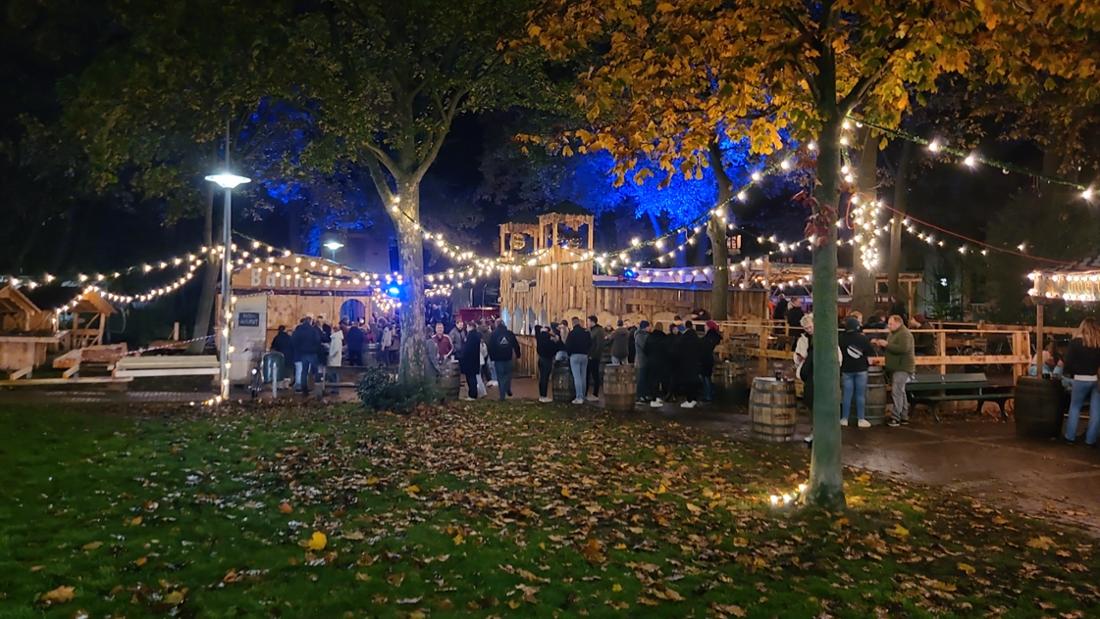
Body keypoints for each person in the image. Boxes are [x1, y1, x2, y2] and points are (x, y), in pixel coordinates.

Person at [1062, 317, 1100, 446]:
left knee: (1075, 408)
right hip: (1095, 379)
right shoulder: (1098, 343)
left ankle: (1070, 437)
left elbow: (1068, 364)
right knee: (1096, 411)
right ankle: (1090, 439)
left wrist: (1071, 374)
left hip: (1080, 379)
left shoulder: (1075, 343)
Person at [872, 314, 915, 427]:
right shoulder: (893, 334)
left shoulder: (905, 334)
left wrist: (887, 344)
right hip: (896, 366)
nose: (889, 326)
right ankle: (904, 415)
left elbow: (903, 348)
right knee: (901, 392)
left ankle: (895, 417)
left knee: (896, 392)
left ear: (898, 323)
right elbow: (891, 347)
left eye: (891, 324)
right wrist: (882, 344)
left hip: (902, 367)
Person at [839, 316, 875, 428]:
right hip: (861, 369)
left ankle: (844, 419)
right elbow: (870, 353)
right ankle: (861, 419)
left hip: (846, 369)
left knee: (846, 395)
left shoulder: (840, 338)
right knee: (860, 395)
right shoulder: (863, 338)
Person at [487, 319, 520, 400]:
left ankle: (502, 396)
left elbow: (490, 346)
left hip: (498, 359)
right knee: (508, 375)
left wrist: (492, 357)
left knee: (500, 377)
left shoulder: (493, 334)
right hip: (508, 357)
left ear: (496, 325)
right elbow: (516, 344)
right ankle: (508, 388)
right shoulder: (509, 333)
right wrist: (518, 354)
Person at [672, 320, 702, 408]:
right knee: (694, 381)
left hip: (687, 363)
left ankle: (689, 400)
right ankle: (694, 399)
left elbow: (678, 349)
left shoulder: (685, 338)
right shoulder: (695, 336)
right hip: (695, 363)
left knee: (689, 382)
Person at [291, 316, 321, 395]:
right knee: (315, 370)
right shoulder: (313, 330)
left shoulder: (298, 330)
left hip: (303, 353)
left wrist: (299, 348)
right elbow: (318, 341)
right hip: (312, 353)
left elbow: (293, 340)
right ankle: (318, 387)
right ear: (310, 321)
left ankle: (304, 389)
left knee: (304, 372)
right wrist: (315, 349)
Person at [565, 317, 592, 404]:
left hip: (575, 355)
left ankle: (579, 397)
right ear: (579, 323)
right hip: (584, 355)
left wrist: (569, 354)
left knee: (577, 378)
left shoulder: (572, 333)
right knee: (583, 377)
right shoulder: (586, 332)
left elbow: (568, 345)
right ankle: (583, 396)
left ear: (573, 323)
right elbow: (590, 343)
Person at [645, 322, 670, 408]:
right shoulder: (664, 337)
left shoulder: (650, 337)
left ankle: (654, 397)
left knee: (652, 380)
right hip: (661, 362)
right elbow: (667, 351)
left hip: (651, 361)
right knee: (659, 380)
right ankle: (655, 399)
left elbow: (645, 349)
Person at [535, 324, 562, 402]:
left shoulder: (539, 337)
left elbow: (537, 327)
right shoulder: (550, 339)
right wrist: (556, 340)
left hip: (540, 359)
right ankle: (544, 396)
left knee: (542, 378)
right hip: (547, 360)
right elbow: (556, 349)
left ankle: (541, 395)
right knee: (545, 378)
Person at [459, 325, 483, 401]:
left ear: (470, 327)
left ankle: (472, 395)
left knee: (471, 378)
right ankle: (473, 394)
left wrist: (462, 356)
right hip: (475, 360)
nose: (466, 328)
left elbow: (467, 349)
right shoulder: (477, 335)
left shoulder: (471, 336)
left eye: (467, 327)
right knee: (473, 378)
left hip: (469, 361)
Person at [700, 321, 722, 402]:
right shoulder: (715, 336)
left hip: (706, 359)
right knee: (707, 377)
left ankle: (708, 395)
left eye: (706, 326)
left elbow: (704, 345)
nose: (705, 327)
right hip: (709, 359)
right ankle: (709, 393)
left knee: (706, 377)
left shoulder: (709, 337)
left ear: (709, 327)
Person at [586, 315, 607, 401]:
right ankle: (586, 393)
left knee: (595, 375)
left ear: (592, 322)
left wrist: (593, 355)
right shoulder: (592, 330)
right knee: (588, 375)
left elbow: (599, 345)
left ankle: (595, 393)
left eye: (588, 321)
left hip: (594, 357)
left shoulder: (598, 331)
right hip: (590, 356)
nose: (587, 323)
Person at [634, 320, 651, 403]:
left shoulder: (644, 335)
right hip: (641, 360)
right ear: (645, 327)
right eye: (649, 326)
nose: (650, 328)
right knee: (641, 379)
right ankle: (639, 396)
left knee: (645, 378)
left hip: (645, 360)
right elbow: (644, 347)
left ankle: (644, 395)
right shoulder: (640, 336)